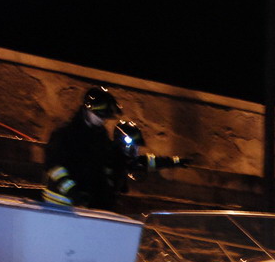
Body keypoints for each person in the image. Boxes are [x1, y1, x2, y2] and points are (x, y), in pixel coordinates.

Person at [43, 88, 188, 211]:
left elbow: (126, 161)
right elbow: (54, 167)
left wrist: (173, 162)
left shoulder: (100, 136)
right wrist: (72, 191)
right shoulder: (65, 134)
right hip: (59, 205)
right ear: (87, 109)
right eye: (99, 115)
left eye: (105, 117)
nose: (102, 120)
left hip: (83, 206)